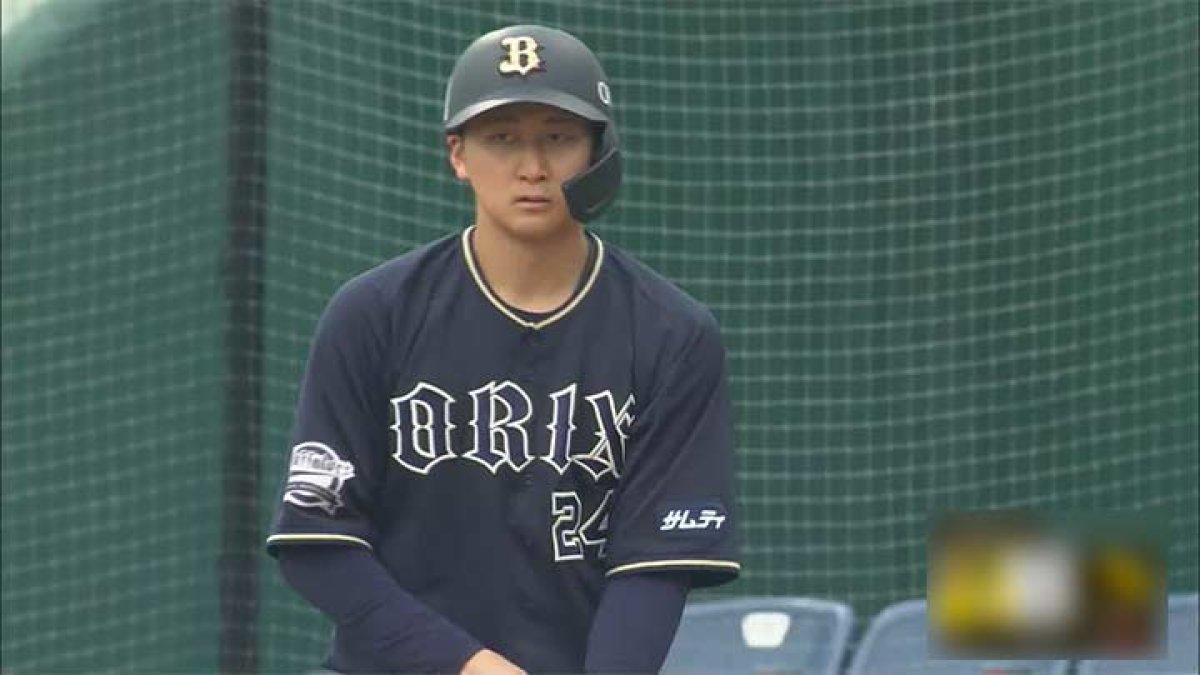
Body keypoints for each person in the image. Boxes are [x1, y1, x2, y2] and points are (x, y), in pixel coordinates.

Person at [266, 24, 740, 674]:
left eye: (559, 136)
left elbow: (653, 566)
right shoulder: (373, 314)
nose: (532, 167)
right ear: (457, 154)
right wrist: (466, 664)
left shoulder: (671, 334)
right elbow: (318, 544)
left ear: (598, 150)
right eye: (502, 138)